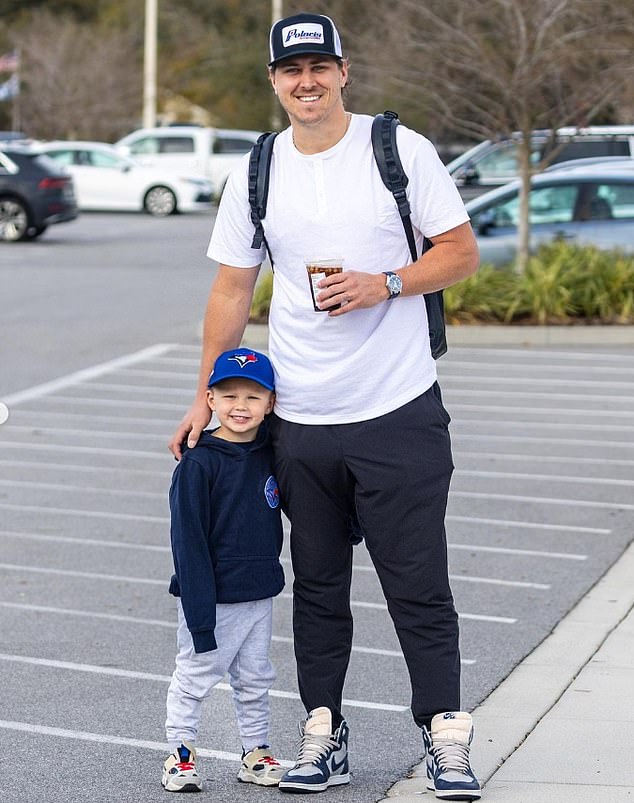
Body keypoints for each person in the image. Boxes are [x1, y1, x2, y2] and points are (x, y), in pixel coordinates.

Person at [169, 11, 481, 801]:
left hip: (398, 410)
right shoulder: (257, 170)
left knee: (417, 584)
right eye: (290, 70)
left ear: (343, 70)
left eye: (319, 67)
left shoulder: (396, 151)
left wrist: (386, 282)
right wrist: (206, 394)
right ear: (274, 81)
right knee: (316, 585)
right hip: (300, 421)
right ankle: (323, 731)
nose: (305, 82)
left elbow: (460, 251)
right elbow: (232, 286)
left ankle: (445, 731)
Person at [162, 348, 286, 793]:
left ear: (271, 403)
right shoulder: (199, 462)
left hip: (259, 592)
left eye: (254, 397)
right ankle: (181, 754)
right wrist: (199, 614)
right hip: (212, 597)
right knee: (195, 675)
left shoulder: (272, 451)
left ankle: (255, 752)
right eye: (229, 394)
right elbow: (188, 543)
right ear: (209, 399)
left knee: (255, 678)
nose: (240, 406)